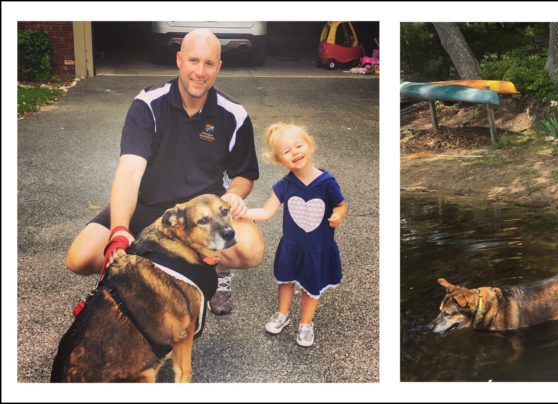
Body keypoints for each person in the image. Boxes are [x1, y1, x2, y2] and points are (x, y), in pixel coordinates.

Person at [65, 30, 264, 315]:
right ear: (179, 60)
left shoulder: (234, 115)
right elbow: (129, 173)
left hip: (201, 217)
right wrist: (120, 230)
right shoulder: (147, 105)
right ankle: (140, 271)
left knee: (252, 248)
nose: (200, 71)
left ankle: (210, 269)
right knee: (80, 258)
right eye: (193, 61)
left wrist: (233, 195)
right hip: (145, 206)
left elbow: (245, 175)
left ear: (218, 67)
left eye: (209, 63)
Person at [243, 123, 347, 347]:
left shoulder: (327, 183)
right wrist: (244, 212)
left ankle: (306, 323)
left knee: (311, 287)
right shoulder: (284, 185)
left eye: (299, 146)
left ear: (309, 146)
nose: (295, 153)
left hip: (318, 249)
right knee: (286, 280)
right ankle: (283, 313)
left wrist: (338, 215)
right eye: (287, 151)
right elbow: (266, 211)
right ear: (280, 160)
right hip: (291, 246)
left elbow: (340, 205)